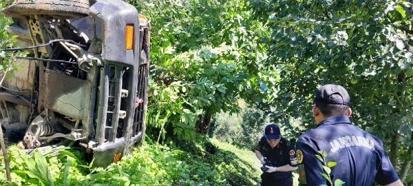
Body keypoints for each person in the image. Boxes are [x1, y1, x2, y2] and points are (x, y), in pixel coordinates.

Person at [296, 84, 404, 186]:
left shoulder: (309, 141)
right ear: (349, 112)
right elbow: (395, 184)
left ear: (315, 110)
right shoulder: (373, 141)